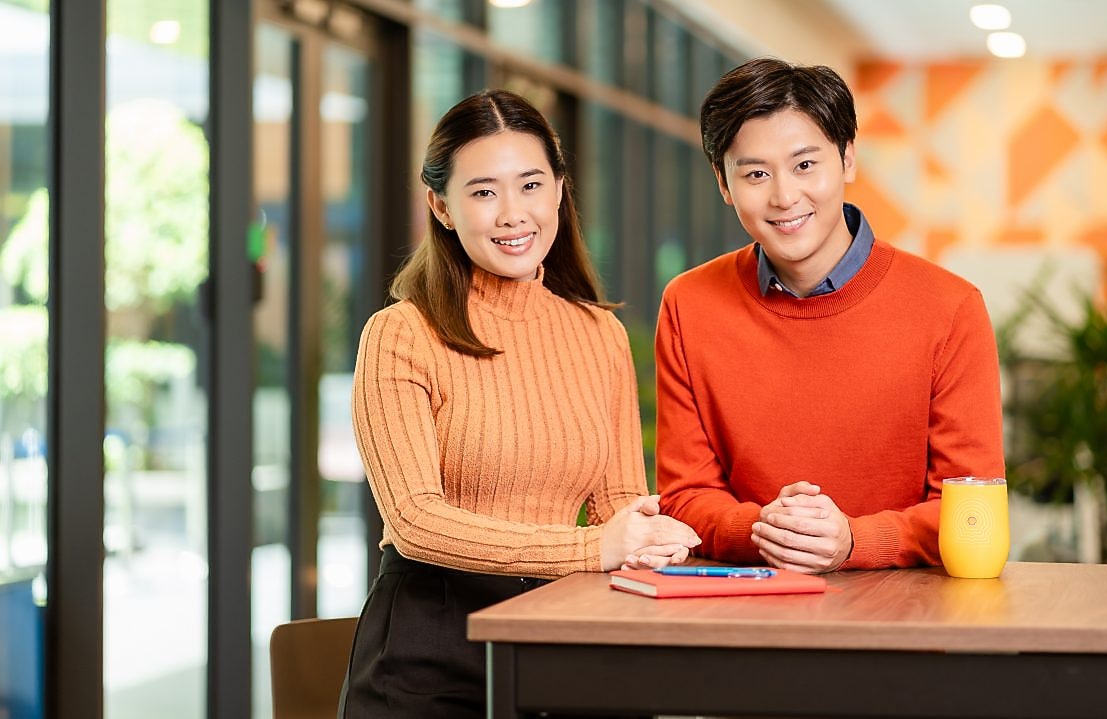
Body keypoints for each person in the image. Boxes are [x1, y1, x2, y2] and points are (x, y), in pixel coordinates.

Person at [339, 89, 700, 718]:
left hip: (564, 626)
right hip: (432, 646)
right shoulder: (400, 334)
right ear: (441, 206)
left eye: (530, 185)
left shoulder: (599, 334)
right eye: (483, 192)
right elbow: (415, 521)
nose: (513, 214)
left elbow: (618, 503)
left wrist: (650, 539)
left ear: (558, 190)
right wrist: (592, 549)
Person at [656, 58, 1004, 574]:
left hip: (908, 610)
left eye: (804, 165)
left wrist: (853, 541)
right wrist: (766, 530)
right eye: (756, 174)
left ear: (847, 159)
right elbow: (684, 496)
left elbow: (973, 505)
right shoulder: (689, 304)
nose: (784, 197)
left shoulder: (951, 307)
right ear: (723, 184)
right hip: (746, 604)